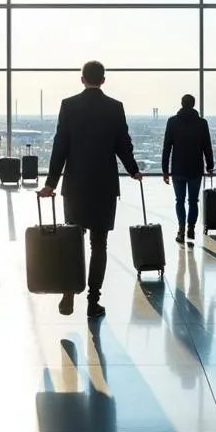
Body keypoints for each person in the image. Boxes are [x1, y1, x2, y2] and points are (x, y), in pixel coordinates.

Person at [38, 60, 141, 318]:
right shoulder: (115, 107)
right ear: (103, 80)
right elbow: (123, 145)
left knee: (73, 240)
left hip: (75, 186)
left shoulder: (69, 105)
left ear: (81, 78)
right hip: (104, 186)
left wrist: (51, 183)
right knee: (99, 245)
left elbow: (60, 146)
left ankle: (69, 293)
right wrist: (133, 170)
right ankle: (93, 302)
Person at [161, 94, 214, 246]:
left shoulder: (172, 122)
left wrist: (165, 170)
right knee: (193, 201)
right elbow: (207, 146)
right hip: (195, 167)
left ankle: (181, 229)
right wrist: (210, 166)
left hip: (177, 168)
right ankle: (191, 227)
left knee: (179, 201)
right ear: (194, 104)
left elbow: (167, 147)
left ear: (181, 104)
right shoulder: (202, 123)